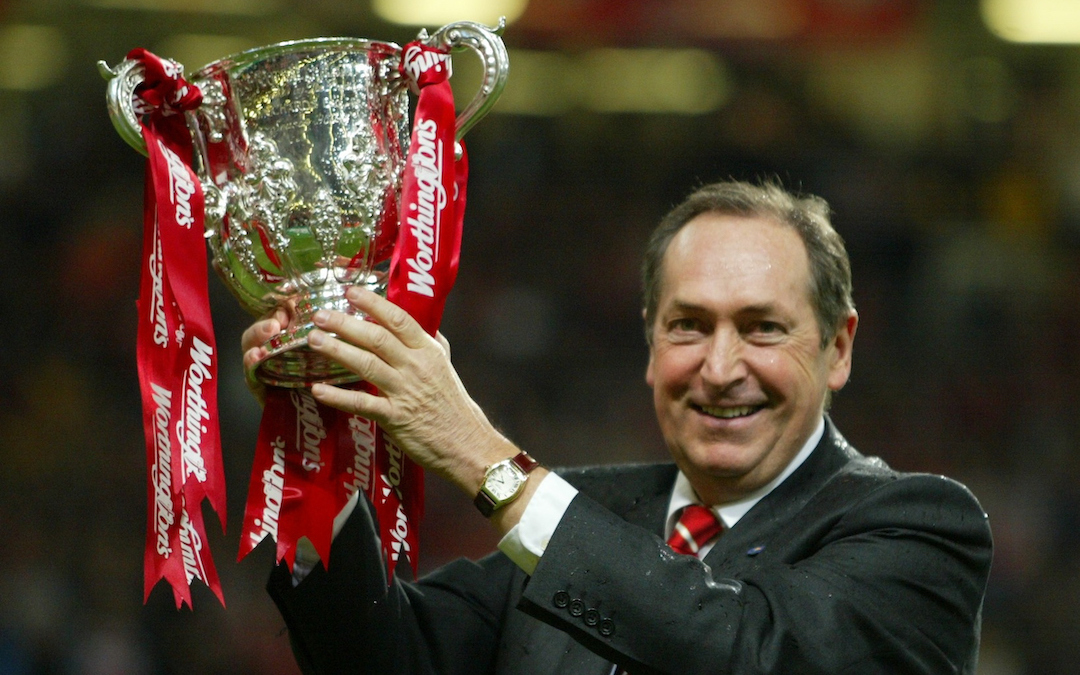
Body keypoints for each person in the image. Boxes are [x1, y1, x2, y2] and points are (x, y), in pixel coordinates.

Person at [242, 180, 992, 674]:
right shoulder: (580, 510)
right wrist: (318, 443)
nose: (721, 366)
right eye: (689, 326)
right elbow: (388, 660)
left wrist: (483, 457)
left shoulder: (918, 531)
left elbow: (739, 650)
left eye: (763, 328)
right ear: (650, 341)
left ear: (838, 347)